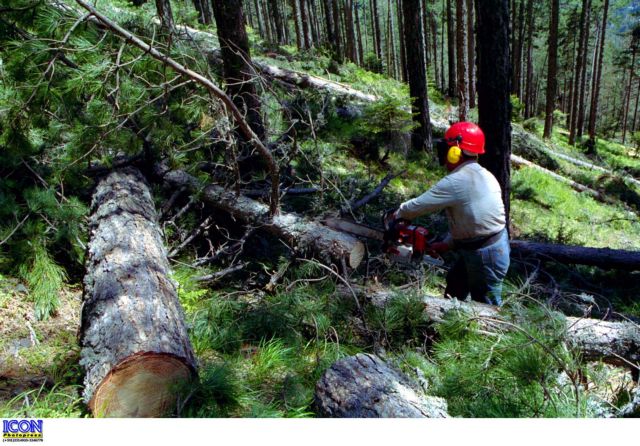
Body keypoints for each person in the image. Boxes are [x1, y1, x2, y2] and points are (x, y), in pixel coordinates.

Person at [392, 122, 510, 306]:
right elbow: (476, 220)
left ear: (455, 152)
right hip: (486, 248)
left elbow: (417, 206)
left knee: (487, 307)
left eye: (446, 149)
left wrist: (397, 215)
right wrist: (447, 244)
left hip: (485, 253)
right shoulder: (485, 175)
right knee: (454, 288)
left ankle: (490, 325)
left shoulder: (457, 180)